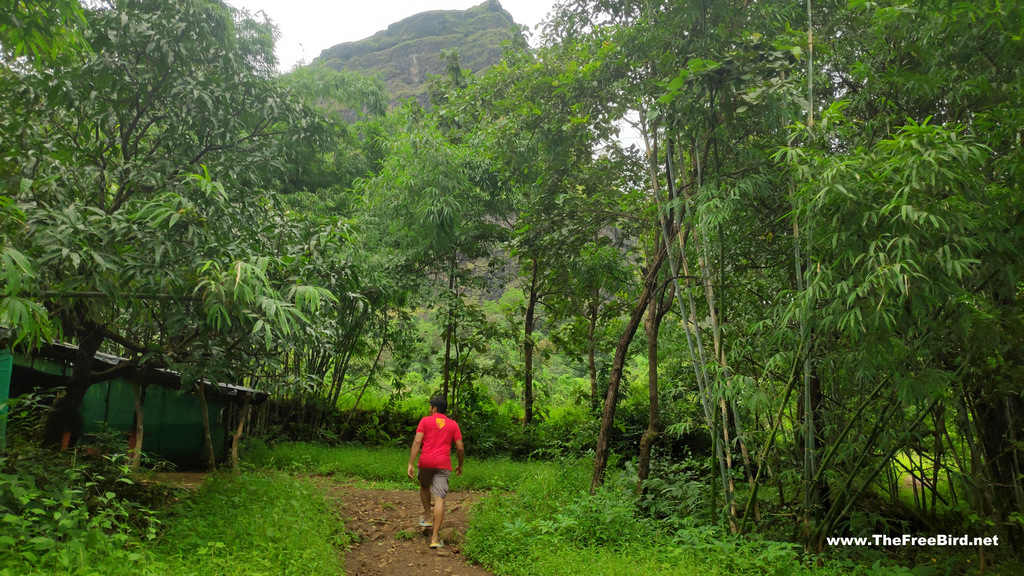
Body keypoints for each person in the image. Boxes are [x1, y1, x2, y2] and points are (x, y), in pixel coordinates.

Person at [407, 395, 464, 549]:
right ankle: (434, 539)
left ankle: (427, 516)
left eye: (430, 406)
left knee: (424, 485)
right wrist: (460, 465)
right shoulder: (453, 425)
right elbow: (460, 448)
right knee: (439, 499)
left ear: (435, 408)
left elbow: (417, 441)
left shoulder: (425, 421)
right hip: (443, 464)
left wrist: (410, 463)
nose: (429, 409)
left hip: (425, 461)